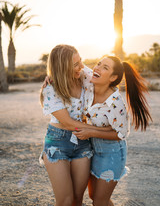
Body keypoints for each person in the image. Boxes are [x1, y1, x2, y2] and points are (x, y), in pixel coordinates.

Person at [73, 56, 152, 206]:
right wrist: (50, 80)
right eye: (99, 64)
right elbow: (70, 68)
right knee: (93, 196)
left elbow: (120, 134)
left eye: (105, 68)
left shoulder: (115, 103)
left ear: (113, 77)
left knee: (99, 202)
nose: (97, 68)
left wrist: (91, 132)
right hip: (93, 150)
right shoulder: (89, 79)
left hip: (112, 154)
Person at [40, 44, 113, 206]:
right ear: (62, 67)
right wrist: (104, 131)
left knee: (77, 199)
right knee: (65, 201)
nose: (82, 67)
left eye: (81, 61)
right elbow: (67, 123)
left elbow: (108, 77)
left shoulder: (84, 76)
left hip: (82, 142)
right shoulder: (51, 89)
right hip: (57, 143)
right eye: (76, 64)